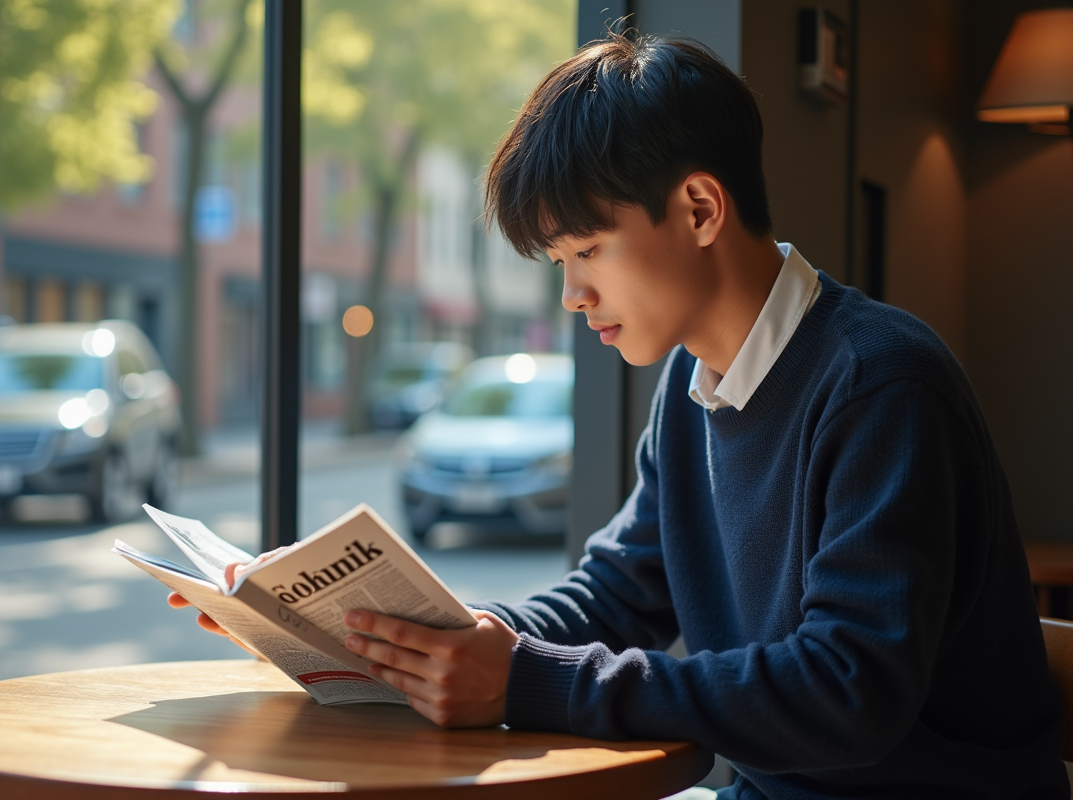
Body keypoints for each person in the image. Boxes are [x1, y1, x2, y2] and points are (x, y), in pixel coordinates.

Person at [170, 33, 1068, 799]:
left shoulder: (879, 384)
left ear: (700, 208)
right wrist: (388, 638)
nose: (572, 293)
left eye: (588, 249)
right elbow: (615, 595)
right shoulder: (695, 386)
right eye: (560, 260)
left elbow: (848, 690)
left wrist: (524, 679)